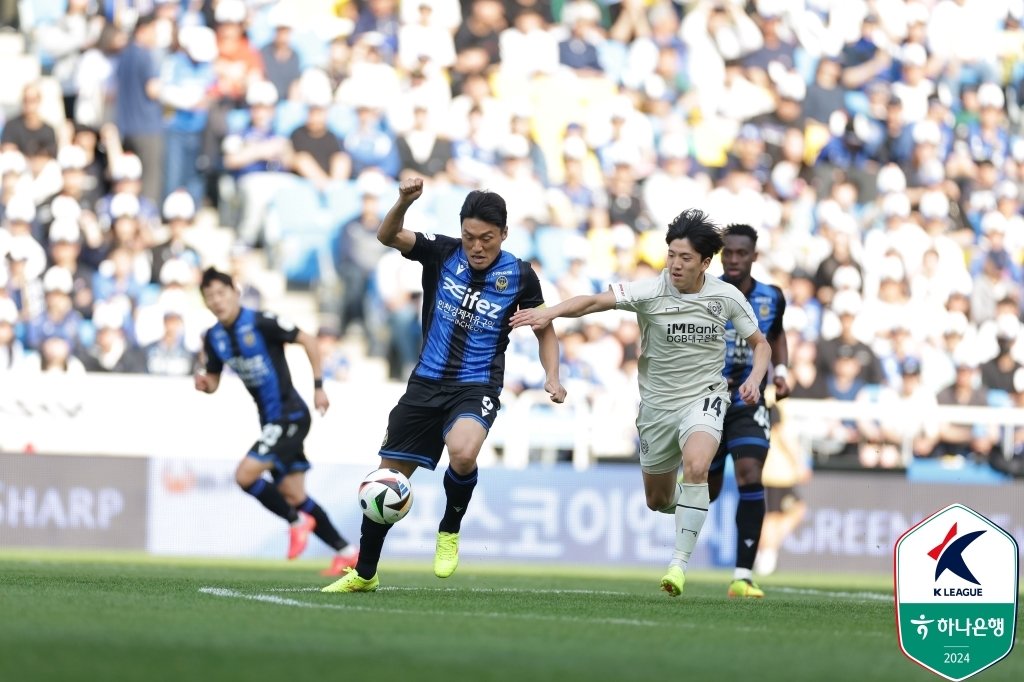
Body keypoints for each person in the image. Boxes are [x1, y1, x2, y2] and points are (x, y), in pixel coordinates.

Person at [322, 177, 567, 593]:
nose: (476, 246)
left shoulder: (521, 275)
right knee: (387, 480)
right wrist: (402, 201)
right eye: (470, 236)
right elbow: (387, 235)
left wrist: (553, 376)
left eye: (487, 238)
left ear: (504, 235)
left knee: (463, 451)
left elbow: (544, 328)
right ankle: (364, 573)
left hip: (476, 385)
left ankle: (449, 529)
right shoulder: (442, 251)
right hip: (425, 383)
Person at [511, 209, 770, 597]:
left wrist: (753, 378)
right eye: (671, 255)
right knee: (658, 499)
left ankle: (677, 567)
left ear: (705, 262)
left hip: (705, 398)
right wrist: (550, 312)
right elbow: (593, 302)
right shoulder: (650, 291)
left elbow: (760, 345)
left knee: (698, 466)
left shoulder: (725, 296)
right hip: (656, 409)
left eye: (685, 258)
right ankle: (692, 508)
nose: (676, 264)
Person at [195, 267, 358, 576]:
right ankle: (347, 552)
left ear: (235, 292)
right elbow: (214, 381)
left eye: (221, 293)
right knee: (295, 496)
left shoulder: (261, 322)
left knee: (245, 476)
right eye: (209, 297)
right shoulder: (214, 338)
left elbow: (309, 340)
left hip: (290, 415)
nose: (217, 301)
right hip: (270, 421)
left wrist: (319, 387)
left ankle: (297, 522)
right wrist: (205, 384)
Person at [706, 223, 788, 599]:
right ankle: (679, 562)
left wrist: (781, 372)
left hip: (749, 402)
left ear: (754, 255)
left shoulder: (772, 297)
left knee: (750, 472)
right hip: (705, 400)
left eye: (742, 253)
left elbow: (776, 335)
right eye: (729, 253)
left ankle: (743, 574)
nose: (735, 259)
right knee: (706, 487)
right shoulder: (704, 292)